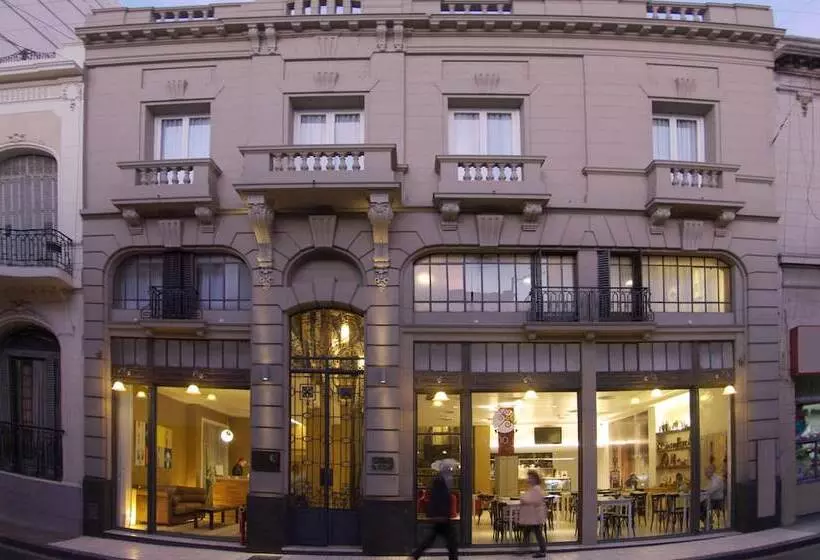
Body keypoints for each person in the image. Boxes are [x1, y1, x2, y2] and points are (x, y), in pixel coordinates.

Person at [412, 464, 458, 560]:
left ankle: (415, 556)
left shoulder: (436, 483)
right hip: (443, 519)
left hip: (438, 519)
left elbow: (433, 501)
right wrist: (447, 514)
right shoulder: (443, 483)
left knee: (429, 540)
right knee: (451, 543)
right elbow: (445, 500)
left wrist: (432, 515)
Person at [518, 470, 547, 558]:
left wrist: (523, 498)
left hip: (535, 517)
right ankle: (524, 549)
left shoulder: (536, 489)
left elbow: (532, 500)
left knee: (537, 533)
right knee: (528, 532)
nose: (528, 479)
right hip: (533, 517)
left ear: (534, 479)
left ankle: (542, 551)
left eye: (530, 478)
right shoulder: (534, 488)